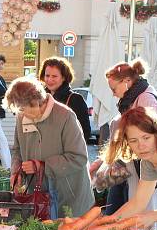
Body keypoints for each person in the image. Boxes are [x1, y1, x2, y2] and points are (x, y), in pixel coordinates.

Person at [6, 76, 94, 218]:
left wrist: (43, 166)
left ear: (36, 101)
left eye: (23, 109)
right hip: (39, 198)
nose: (21, 114)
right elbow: (17, 150)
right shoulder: (21, 117)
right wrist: (16, 171)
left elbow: (79, 157)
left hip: (70, 197)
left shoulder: (65, 116)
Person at [95, 58, 157, 216]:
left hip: (144, 169)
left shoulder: (146, 98)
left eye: (114, 89)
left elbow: (151, 138)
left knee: (140, 215)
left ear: (127, 81)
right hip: (131, 168)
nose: (113, 94)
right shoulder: (135, 97)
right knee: (118, 212)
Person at [39, 56, 91, 144]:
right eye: (47, 75)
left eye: (54, 76)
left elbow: (85, 132)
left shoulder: (75, 100)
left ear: (64, 77)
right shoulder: (39, 98)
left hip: (66, 154)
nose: (50, 79)